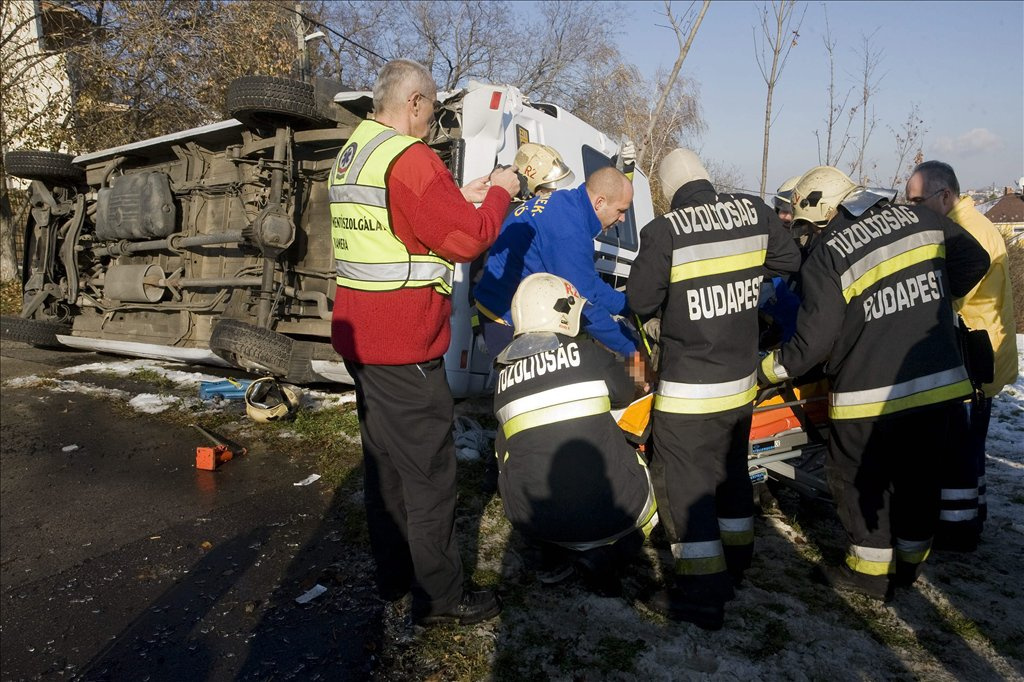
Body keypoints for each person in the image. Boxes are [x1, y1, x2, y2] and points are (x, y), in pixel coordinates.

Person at [328, 58, 521, 627]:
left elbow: (398, 219)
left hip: (362, 340)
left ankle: (393, 578)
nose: (433, 122)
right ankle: (439, 600)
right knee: (430, 480)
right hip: (406, 345)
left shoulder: (356, 151)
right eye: (432, 110)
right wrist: (501, 194)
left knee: (384, 470)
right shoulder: (412, 157)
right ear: (413, 103)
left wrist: (458, 191)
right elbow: (465, 238)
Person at [759, 166, 990, 600]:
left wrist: (766, 371)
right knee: (919, 479)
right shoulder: (923, 219)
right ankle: (908, 566)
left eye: (808, 227)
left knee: (859, 481)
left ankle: (868, 574)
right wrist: (931, 302)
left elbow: (814, 341)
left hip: (869, 396)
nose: (807, 237)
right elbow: (975, 260)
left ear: (824, 212)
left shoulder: (831, 252)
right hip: (938, 386)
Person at [627, 148, 802, 630]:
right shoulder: (752, 211)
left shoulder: (664, 231)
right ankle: (738, 562)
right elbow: (790, 258)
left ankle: (703, 596)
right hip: (741, 386)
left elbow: (640, 301)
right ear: (705, 177)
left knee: (686, 487)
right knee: (730, 473)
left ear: (668, 191)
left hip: (688, 392)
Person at [492, 273, 658, 597]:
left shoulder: (500, 379)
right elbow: (628, 390)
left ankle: (549, 558)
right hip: (619, 514)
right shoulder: (588, 355)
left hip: (541, 524)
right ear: (564, 315)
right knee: (634, 455)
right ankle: (616, 552)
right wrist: (638, 365)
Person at [906, 161, 1018, 538]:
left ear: (946, 196)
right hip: (983, 352)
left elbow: (944, 297)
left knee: (959, 453)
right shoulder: (975, 224)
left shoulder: (963, 234)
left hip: (971, 356)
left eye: (918, 201)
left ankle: (957, 530)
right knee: (970, 454)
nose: (913, 211)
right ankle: (970, 515)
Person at [473, 166, 640, 361]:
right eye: (621, 210)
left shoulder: (569, 206)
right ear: (600, 202)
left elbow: (590, 283)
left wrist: (631, 308)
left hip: (512, 306)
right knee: (532, 388)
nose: (623, 218)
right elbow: (584, 302)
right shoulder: (569, 228)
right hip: (505, 318)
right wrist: (633, 352)